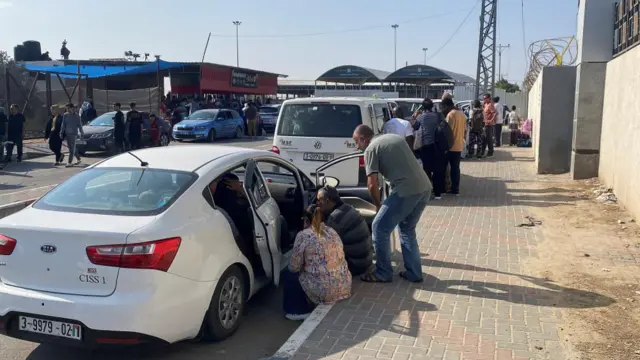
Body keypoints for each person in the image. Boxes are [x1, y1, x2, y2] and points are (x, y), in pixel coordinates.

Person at [353, 125, 431, 283]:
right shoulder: (393, 137)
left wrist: (378, 204)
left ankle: (383, 272)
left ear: (363, 139)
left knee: (379, 227)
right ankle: (414, 273)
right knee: (407, 230)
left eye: (356, 142)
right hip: (424, 188)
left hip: (405, 191)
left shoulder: (370, 149)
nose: (356, 147)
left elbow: (372, 184)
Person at [284, 204, 352, 320]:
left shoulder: (303, 235)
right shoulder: (332, 232)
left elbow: (294, 267)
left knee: (289, 274)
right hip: (344, 286)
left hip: (324, 291)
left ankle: (298, 311)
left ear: (306, 220)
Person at [317, 185, 373, 276]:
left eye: (319, 200)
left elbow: (324, 246)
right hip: (366, 259)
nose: (317, 203)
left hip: (356, 265)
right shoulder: (348, 207)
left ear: (327, 201)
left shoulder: (335, 218)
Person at [413, 99, 446, 198]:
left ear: (423, 107)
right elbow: (444, 125)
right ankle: (438, 194)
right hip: (437, 146)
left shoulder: (421, 117)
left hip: (425, 146)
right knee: (437, 170)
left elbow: (415, 127)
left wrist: (415, 116)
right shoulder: (438, 115)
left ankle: (427, 193)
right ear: (432, 106)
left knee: (426, 170)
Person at [441, 97, 466, 195]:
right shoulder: (462, 114)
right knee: (455, 168)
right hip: (459, 145)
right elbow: (464, 129)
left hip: (449, 146)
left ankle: (445, 188)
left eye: (443, 107)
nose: (443, 109)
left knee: (445, 167)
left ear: (447, 106)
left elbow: (447, 131)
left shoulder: (451, 115)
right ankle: (455, 189)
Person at [61, 103, 84, 167]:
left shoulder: (77, 116)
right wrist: (61, 132)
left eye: (68, 108)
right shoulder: (65, 115)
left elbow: (80, 126)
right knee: (72, 147)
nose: (67, 110)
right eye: (66, 108)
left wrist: (82, 133)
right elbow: (63, 124)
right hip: (67, 134)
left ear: (72, 108)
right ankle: (79, 159)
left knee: (71, 149)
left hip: (74, 134)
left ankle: (69, 162)